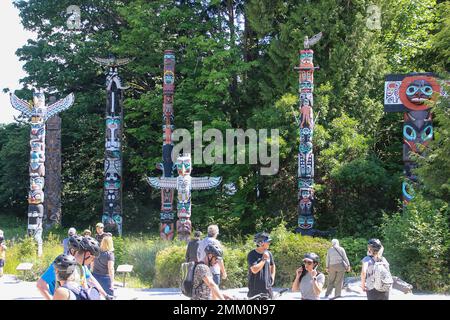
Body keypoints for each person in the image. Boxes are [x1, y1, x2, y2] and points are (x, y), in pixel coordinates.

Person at [36, 235, 111, 300]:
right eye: (93, 258)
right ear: (87, 254)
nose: (92, 261)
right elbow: (40, 285)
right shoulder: (62, 264)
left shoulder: (82, 266)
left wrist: (105, 295)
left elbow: (91, 280)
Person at [247, 232, 276, 299]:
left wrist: (272, 278)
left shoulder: (269, 253)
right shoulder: (252, 254)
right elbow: (254, 270)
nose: (269, 243)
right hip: (255, 291)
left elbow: (272, 265)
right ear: (261, 243)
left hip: (267, 290)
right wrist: (264, 259)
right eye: (267, 242)